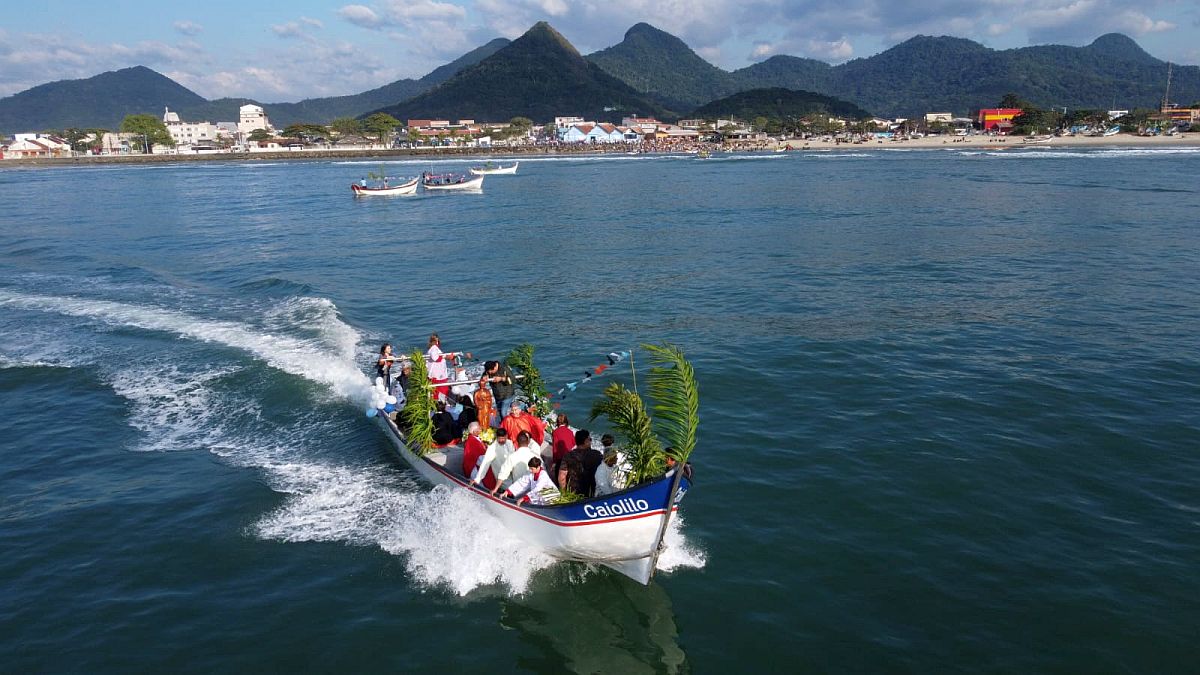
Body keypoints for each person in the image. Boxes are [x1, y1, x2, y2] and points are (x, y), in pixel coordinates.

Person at [491, 430, 539, 494]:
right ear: (528, 442)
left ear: (517, 442)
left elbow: (503, 473)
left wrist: (495, 489)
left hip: (517, 491)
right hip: (532, 490)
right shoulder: (536, 456)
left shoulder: (513, 457)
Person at [558, 429, 603, 497]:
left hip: (573, 494)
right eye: (590, 439)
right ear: (586, 441)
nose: (591, 441)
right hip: (592, 494)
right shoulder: (597, 455)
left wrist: (564, 494)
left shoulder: (568, 455)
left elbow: (562, 476)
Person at [461, 422, 493, 488]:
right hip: (474, 467)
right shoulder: (472, 441)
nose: (480, 430)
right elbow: (479, 457)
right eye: (478, 429)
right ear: (473, 431)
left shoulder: (474, 439)